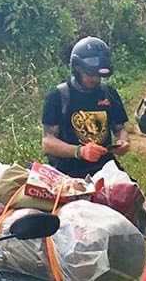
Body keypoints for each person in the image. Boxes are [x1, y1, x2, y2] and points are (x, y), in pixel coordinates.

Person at [42, 36, 133, 178]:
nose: (95, 79)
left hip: (105, 168)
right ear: (77, 68)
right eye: (90, 74)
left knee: (132, 196)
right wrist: (80, 152)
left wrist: (124, 142)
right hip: (69, 172)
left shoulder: (108, 93)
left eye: (99, 75)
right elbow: (48, 142)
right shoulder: (58, 96)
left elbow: (119, 129)